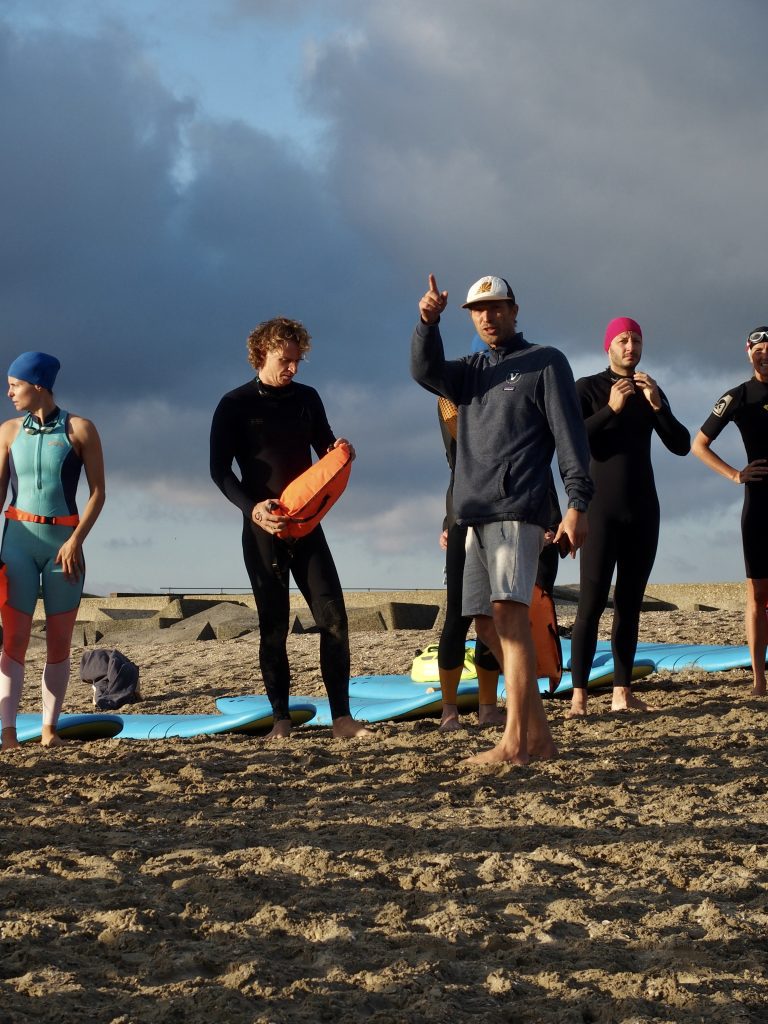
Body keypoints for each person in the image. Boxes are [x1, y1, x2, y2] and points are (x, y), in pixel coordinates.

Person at [411, 274, 593, 765]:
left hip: (518, 506)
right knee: (483, 621)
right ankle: (541, 738)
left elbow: (570, 438)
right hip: (472, 513)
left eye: (496, 307)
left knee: (510, 619)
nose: (488, 317)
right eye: (478, 310)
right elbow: (423, 370)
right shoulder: (469, 372)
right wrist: (428, 322)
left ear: (514, 310)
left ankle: (514, 742)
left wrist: (576, 504)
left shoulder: (545, 362)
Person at [210, 316, 369, 740]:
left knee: (334, 620)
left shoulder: (307, 398)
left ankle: (342, 719)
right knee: (275, 627)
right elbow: (219, 471)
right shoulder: (235, 404)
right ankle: (281, 720)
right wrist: (253, 509)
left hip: (306, 526)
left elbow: (325, 446)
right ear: (262, 353)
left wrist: (339, 452)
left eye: (298, 361)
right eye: (286, 360)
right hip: (263, 530)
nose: (293, 368)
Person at [567, 317, 690, 717]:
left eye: (636, 339)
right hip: (600, 510)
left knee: (630, 603)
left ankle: (622, 692)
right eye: (622, 339)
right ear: (608, 345)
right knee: (590, 604)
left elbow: (681, 444)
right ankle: (579, 696)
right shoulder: (587, 388)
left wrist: (657, 405)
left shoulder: (649, 389)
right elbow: (570, 439)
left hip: (643, 510)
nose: (630, 346)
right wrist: (610, 409)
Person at [0, 351, 105, 750]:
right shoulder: (8, 432)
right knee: (14, 640)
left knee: (59, 642)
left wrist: (76, 540)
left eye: (15, 385)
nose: (10, 392)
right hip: (17, 543)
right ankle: (8, 735)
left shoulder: (80, 429)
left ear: (38, 385)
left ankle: (49, 730)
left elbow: (99, 493)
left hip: (64, 547)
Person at [691, 325, 768, 695]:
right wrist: (736, 474)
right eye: (759, 348)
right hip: (760, 504)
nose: (765, 354)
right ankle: (759, 680)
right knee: (758, 596)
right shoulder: (738, 396)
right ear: (748, 352)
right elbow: (699, 444)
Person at [435, 397, 503, 732]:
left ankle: (487, 707)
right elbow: (465, 450)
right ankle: (449, 710)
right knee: (458, 614)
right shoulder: (449, 396)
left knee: (491, 611)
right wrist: (448, 520)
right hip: (464, 505)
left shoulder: (500, 392)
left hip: (499, 504)